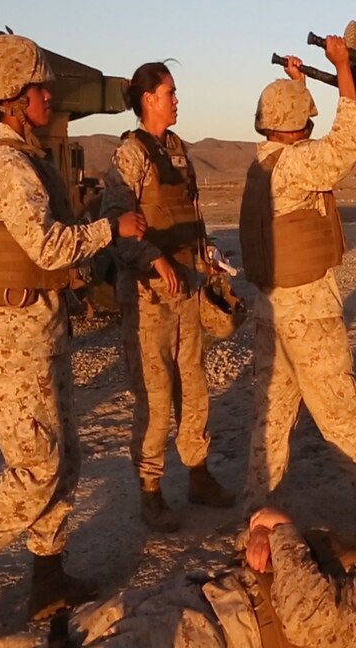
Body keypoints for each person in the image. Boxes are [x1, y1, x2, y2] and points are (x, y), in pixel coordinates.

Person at [0, 34, 147, 635]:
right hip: (12, 332)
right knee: (35, 466)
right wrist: (111, 228)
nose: (47, 95)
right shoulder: (9, 167)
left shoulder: (30, 160)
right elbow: (48, 244)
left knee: (66, 461)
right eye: (38, 87)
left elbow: (54, 249)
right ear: (11, 99)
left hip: (40, 321)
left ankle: (48, 577)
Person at [239, 29, 356, 533]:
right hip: (307, 313)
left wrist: (296, 86)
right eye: (304, 118)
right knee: (339, 405)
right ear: (296, 124)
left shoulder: (262, 164)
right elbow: (346, 143)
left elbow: (298, 136)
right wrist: (343, 69)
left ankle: (256, 511)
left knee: (272, 415)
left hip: (271, 311)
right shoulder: (299, 165)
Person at [0, 504, 356, 648]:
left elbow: (307, 617)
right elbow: (258, 546)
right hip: (196, 598)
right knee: (64, 635)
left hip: (216, 631)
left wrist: (279, 528)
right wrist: (264, 531)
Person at [102, 62, 235, 533]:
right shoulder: (130, 154)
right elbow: (116, 226)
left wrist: (207, 257)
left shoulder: (177, 151)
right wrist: (154, 260)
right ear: (148, 99)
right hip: (148, 298)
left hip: (185, 289)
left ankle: (198, 474)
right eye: (170, 93)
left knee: (195, 390)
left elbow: (191, 215)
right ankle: (150, 491)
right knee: (156, 402)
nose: (177, 100)